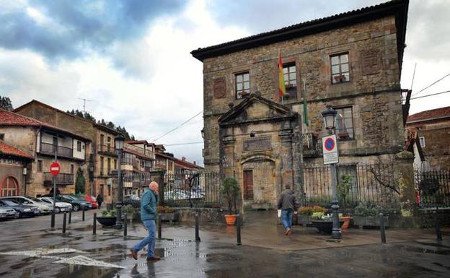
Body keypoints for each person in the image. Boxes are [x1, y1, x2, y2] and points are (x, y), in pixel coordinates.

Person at [130, 181, 160, 262]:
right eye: (156, 187)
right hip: (148, 217)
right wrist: (153, 212)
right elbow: (145, 205)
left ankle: (150, 255)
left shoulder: (152, 194)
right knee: (152, 236)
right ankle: (135, 249)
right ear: (153, 187)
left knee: (152, 236)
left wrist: (156, 195)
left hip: (150, 217)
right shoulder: (148, 193)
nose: (158, 189)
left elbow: (155, 203)